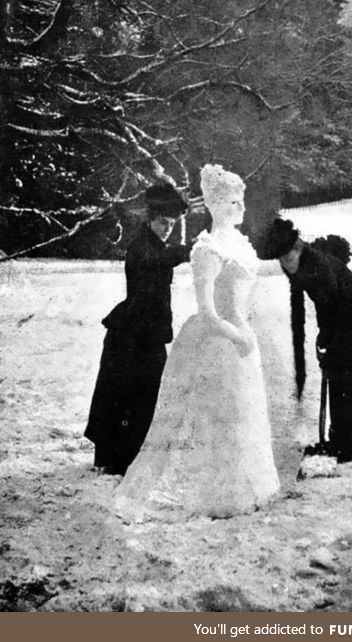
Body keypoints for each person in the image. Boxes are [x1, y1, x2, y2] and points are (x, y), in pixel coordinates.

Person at [113, 164, 280, 520]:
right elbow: (207, 310)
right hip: (214, 339)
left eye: (241, 202)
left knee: (239, 415)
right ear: (218, 206)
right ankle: (209, 494)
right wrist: (237, 336)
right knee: (203, 416)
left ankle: (242, 488)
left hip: (240, 340)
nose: (242, 209)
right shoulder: (206, 249)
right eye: (234, 202)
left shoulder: (239, 245)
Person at [266, 217, 352, 463]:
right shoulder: (306, 264)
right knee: (342, 376)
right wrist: (326, 338)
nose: (286, 266)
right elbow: (327, 308)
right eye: (281, 261)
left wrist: (333, 342)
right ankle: (344, 439)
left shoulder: (316, 267)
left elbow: (343, 308)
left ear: (298, 249)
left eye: (287, 258)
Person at [84, 177, 190, 476]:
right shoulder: (141, 246)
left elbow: (163, 258)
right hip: (130, 334)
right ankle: (117, 458)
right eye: (161, 223)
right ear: (151, 220)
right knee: (126, 393)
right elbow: (154, 260)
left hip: (147, 332)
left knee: (145, 393)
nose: (166, 228)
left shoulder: (156, 244)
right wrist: (185, 251)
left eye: (170, 223)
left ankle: (129, 454)